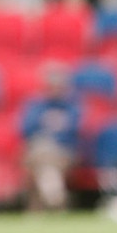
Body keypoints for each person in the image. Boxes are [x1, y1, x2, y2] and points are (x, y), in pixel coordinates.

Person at [20, 62, 80, 211]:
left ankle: (40, 206)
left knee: (47, 160)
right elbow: (27, 129)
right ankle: (56, 198)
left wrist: (48, 127)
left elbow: (73, 131)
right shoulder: (35, 105)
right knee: (44, 153)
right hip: (36, 152)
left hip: (64, 153)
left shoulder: (71, 106)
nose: (55, 89)